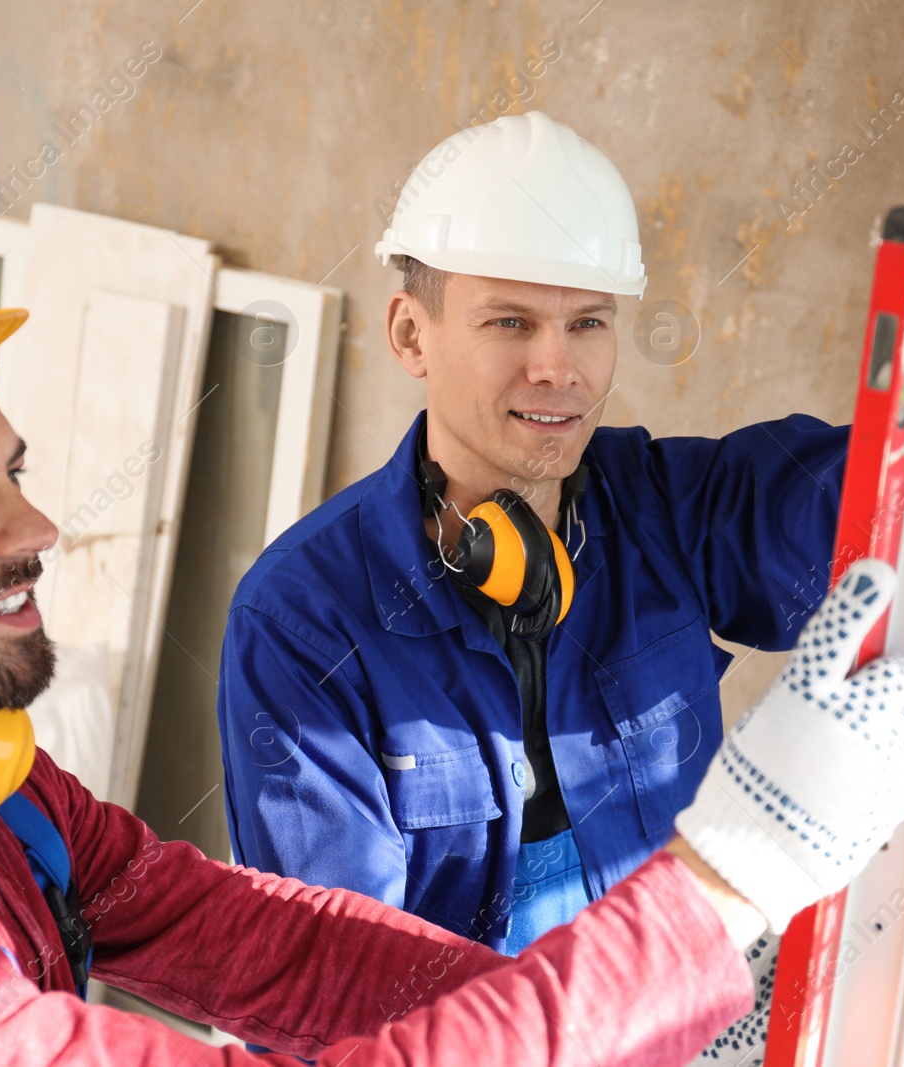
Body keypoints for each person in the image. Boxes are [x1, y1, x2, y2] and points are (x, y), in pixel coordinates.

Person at [0, 217, 904, 1066]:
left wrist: (671, 1003)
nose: (37, 524)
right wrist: (723, 887)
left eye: (14, 471)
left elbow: (268, 940)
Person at [217, 110, 846, 970]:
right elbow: (337, 987)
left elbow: (902, 499)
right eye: (510, 323)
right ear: (411, 334)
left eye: (588, 322)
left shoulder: (666, 512)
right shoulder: (305, 620)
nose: (560, 368)